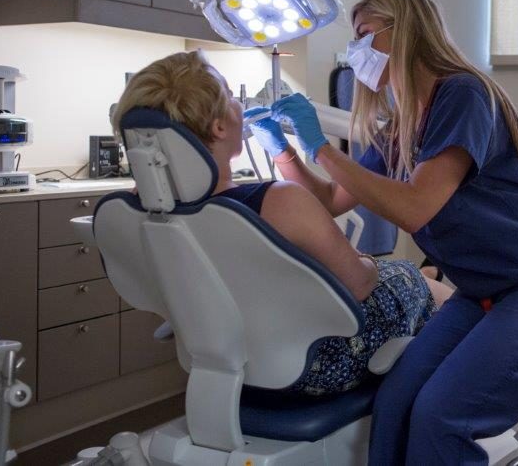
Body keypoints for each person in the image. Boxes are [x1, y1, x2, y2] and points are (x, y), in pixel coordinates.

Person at [251, 0, 518, 464]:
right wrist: (283, 149)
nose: (355, 51)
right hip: (485, 290)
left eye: (363, 35)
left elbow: (418, 206)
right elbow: (331, 200)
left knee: (444, 416)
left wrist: (323, 148)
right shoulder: (399, 130)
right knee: (395, 403)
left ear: (405, 31)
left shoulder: (462, 93)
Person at [111, 50, 451, 396]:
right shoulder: (279, 201)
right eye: (231, 96)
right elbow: (360, 285)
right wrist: (361, 261)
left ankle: (427, 278)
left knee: (399, 274)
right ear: (219, 125)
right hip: (320, 362)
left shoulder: (145, 213)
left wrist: (283, 152)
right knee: (408, 277)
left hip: (234, 362)